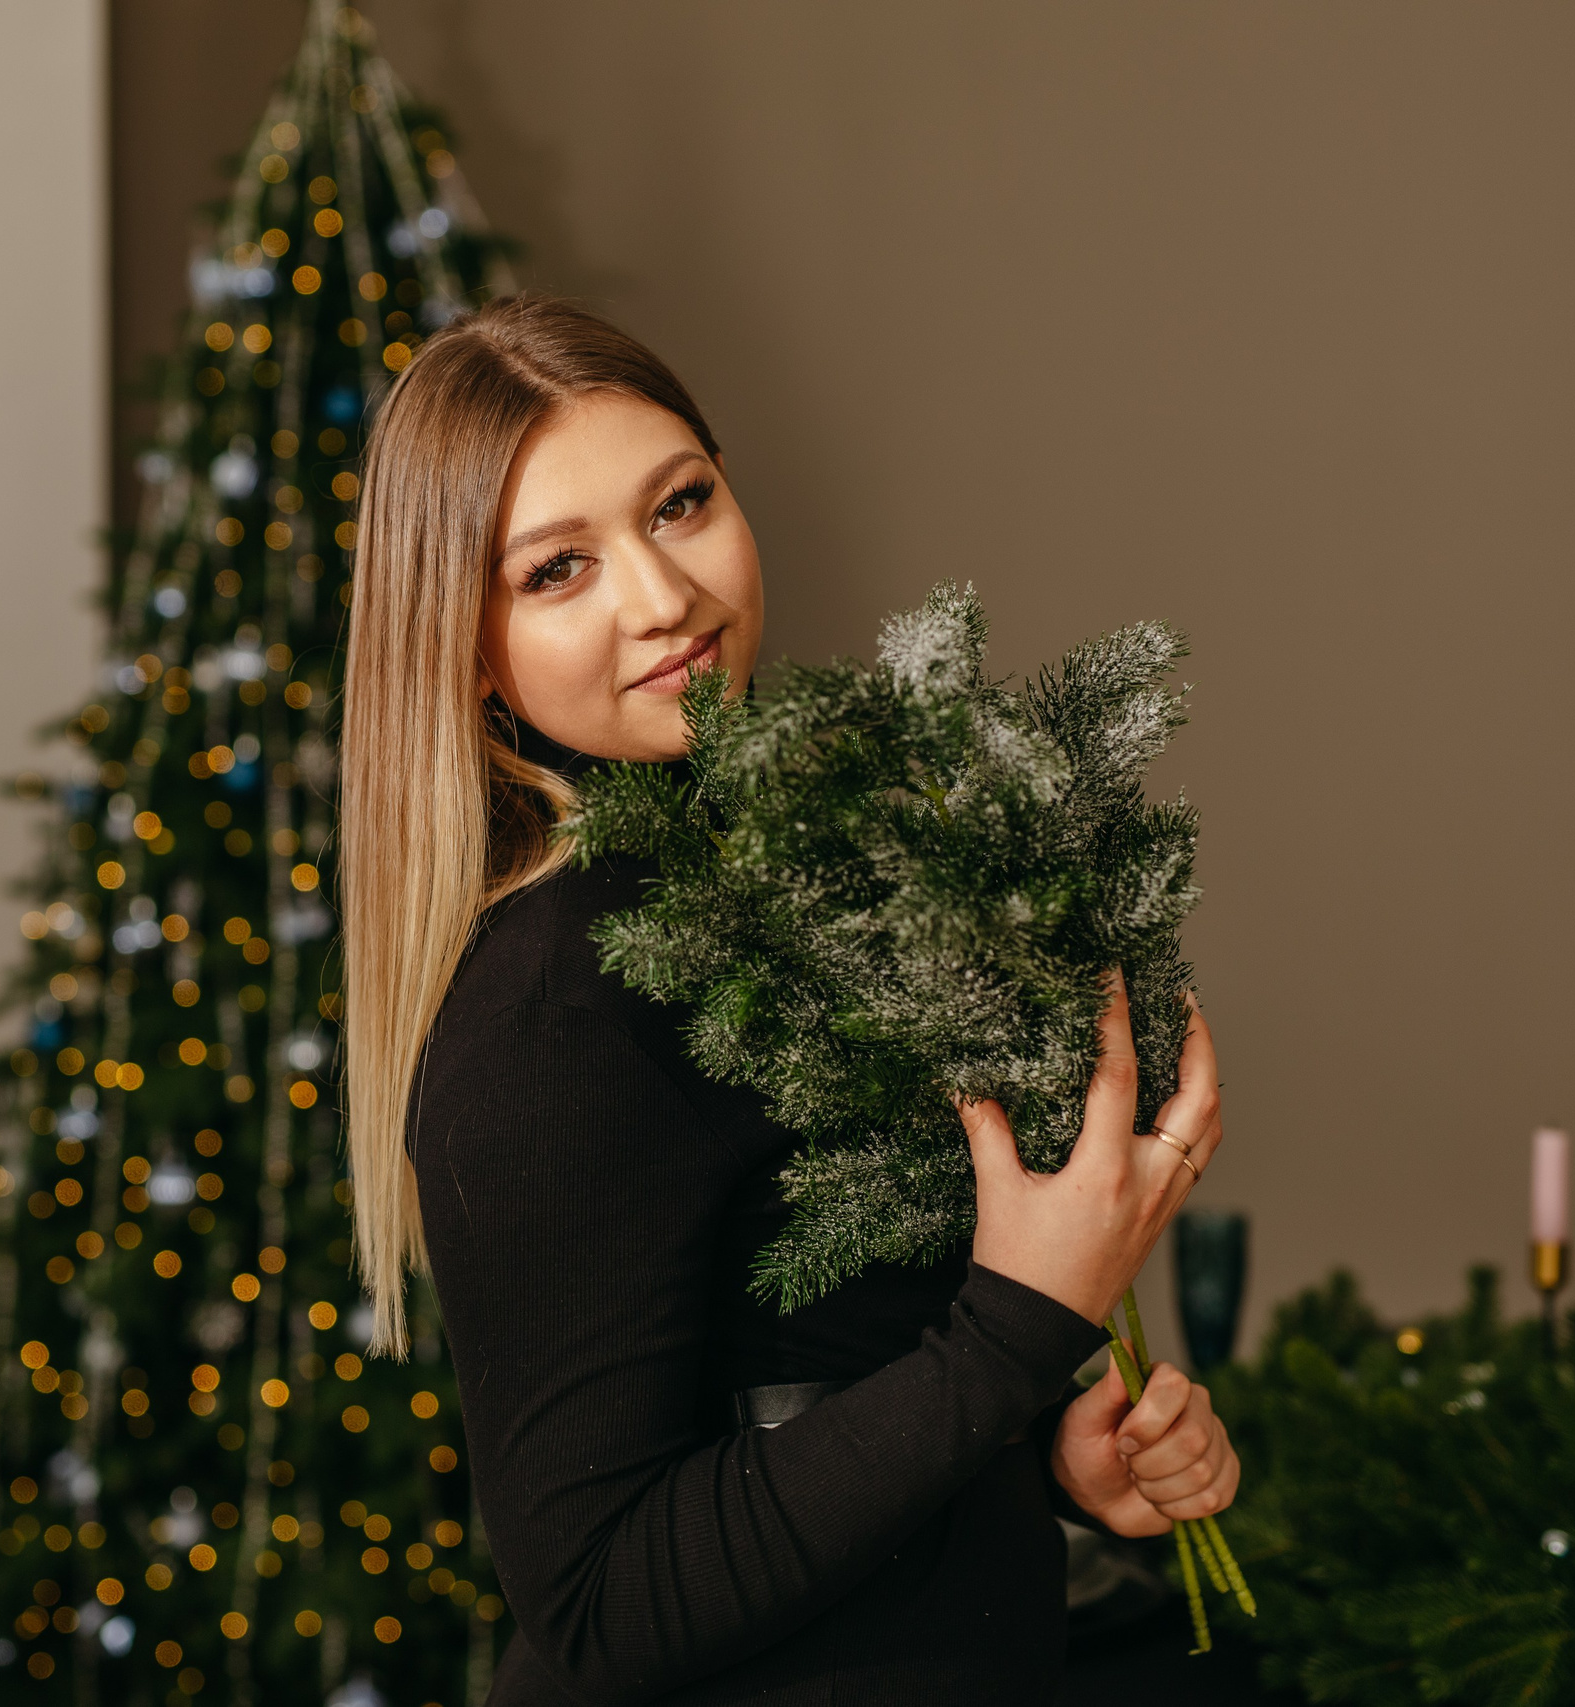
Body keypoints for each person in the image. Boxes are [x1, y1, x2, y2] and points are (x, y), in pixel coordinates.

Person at [339, 297, 1238, 1704]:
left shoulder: (789, 865)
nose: (661, 595)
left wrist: (1045, 1451)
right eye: (558, 569)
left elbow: (805, 1386)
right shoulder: (553, 997)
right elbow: (600, 1600)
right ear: (462, 644)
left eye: (679, 504)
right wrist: (1017, 1323)